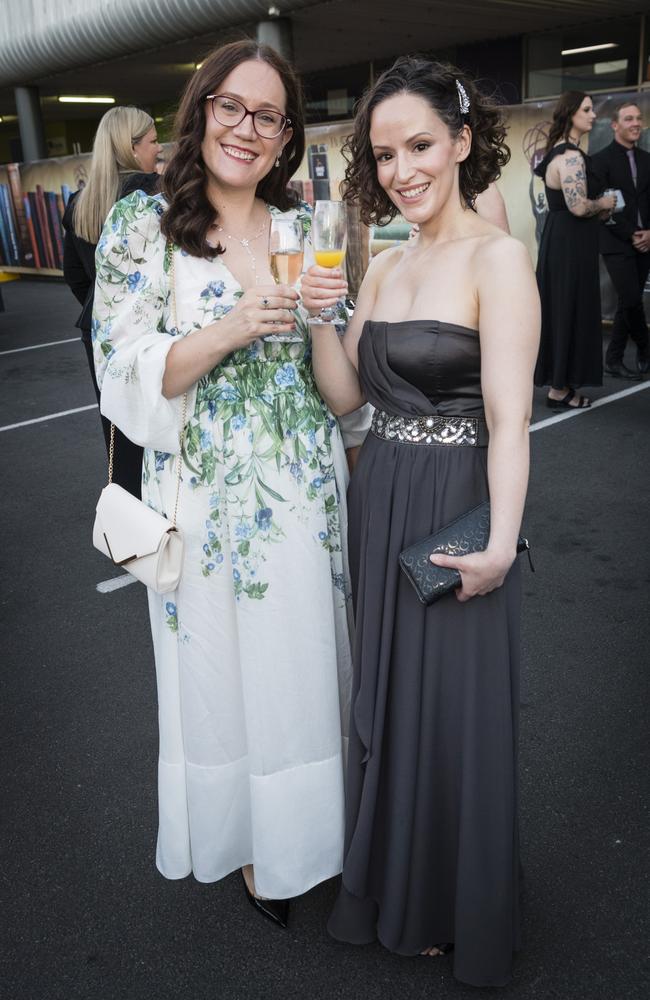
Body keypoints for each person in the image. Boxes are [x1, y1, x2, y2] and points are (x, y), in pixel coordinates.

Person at [92, 40, 354, 928]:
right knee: (223, 678)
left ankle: (314, 839)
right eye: (230, 107)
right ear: (200, 111)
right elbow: (119, 369)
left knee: (305, 671)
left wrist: (328, 318)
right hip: (204, 500)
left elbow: (335, 386)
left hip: (305, 489)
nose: (246, 128)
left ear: (286, 139)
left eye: (268, 116)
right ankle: (252, 844)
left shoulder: (297, 227)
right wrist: (232, 327)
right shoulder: (143, 225)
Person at [302, 56, 539, 988]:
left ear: (463, 142)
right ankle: (396, 883)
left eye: (420, 146)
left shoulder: (499, 258)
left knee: (457, 714)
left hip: (455, 504)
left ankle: (458, 902)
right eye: (385, 154)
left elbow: (514, 421)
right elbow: (347, 399)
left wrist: (501, 544)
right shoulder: (388, 262)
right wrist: (321, 320)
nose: (401, 170)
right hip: (382, 495)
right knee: (393, 707)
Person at [62, 105, 162, 496]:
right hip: (150, 332)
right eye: (153, 141)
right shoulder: (149, 191)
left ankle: (130, 528)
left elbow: (74, 276)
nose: (158, 149)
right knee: (160, 429)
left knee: (118, 433)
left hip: (99, 334)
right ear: (132, 146)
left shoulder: (79, 202)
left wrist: (104, 311)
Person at [533, 91, 616, 409]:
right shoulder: (569, 157)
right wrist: (604, 203)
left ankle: (561, 383)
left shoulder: (563, 152)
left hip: (565, 241)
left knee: (564, 308)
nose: (593, 115)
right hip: (570, 243)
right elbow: (578, 206)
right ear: (571, 114)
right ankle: (558, 389)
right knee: (568, 308)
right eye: (587, 109)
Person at [591, 101, 650, 378]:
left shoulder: (648, 160)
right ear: (615, 125)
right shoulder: (600, 161)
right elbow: (604, 207)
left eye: (638, 118)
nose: (636, 123)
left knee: (630, 301)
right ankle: (646, 349)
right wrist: (631, 233)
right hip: (616, 242)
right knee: (631, 298)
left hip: (647, 241)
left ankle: (613, 358)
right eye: (629, 119)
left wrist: (649, 233)